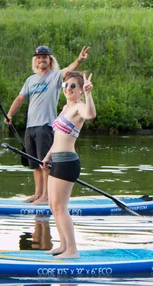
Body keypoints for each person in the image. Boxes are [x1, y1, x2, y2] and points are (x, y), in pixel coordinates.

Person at [4, 45, 90, 204]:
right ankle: (38, 194)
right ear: (35, 61)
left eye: (45, 57)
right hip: (31, 127)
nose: (41, 59)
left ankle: (46, 196)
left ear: (50, 60)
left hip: (46, 126)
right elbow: (20, 98)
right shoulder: (30, 80)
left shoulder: (56, 76)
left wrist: (79, 60)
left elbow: (69, 70)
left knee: (45, 163)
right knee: (35, 164)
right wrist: (10, 114)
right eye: (39, 57)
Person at [41, 71, 96, 258]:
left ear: (80, 89)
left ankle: (72, 250)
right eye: (66, 86)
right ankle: (63, 245)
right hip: (56, 160)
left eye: (73, 86)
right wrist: (47, 157)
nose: (68, 89)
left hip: (67, 162)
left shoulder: (80, 106)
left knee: (60, 206)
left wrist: (89, 94)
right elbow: (58, 137)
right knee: (52, 204)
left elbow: (90, 114)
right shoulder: (66, 107)